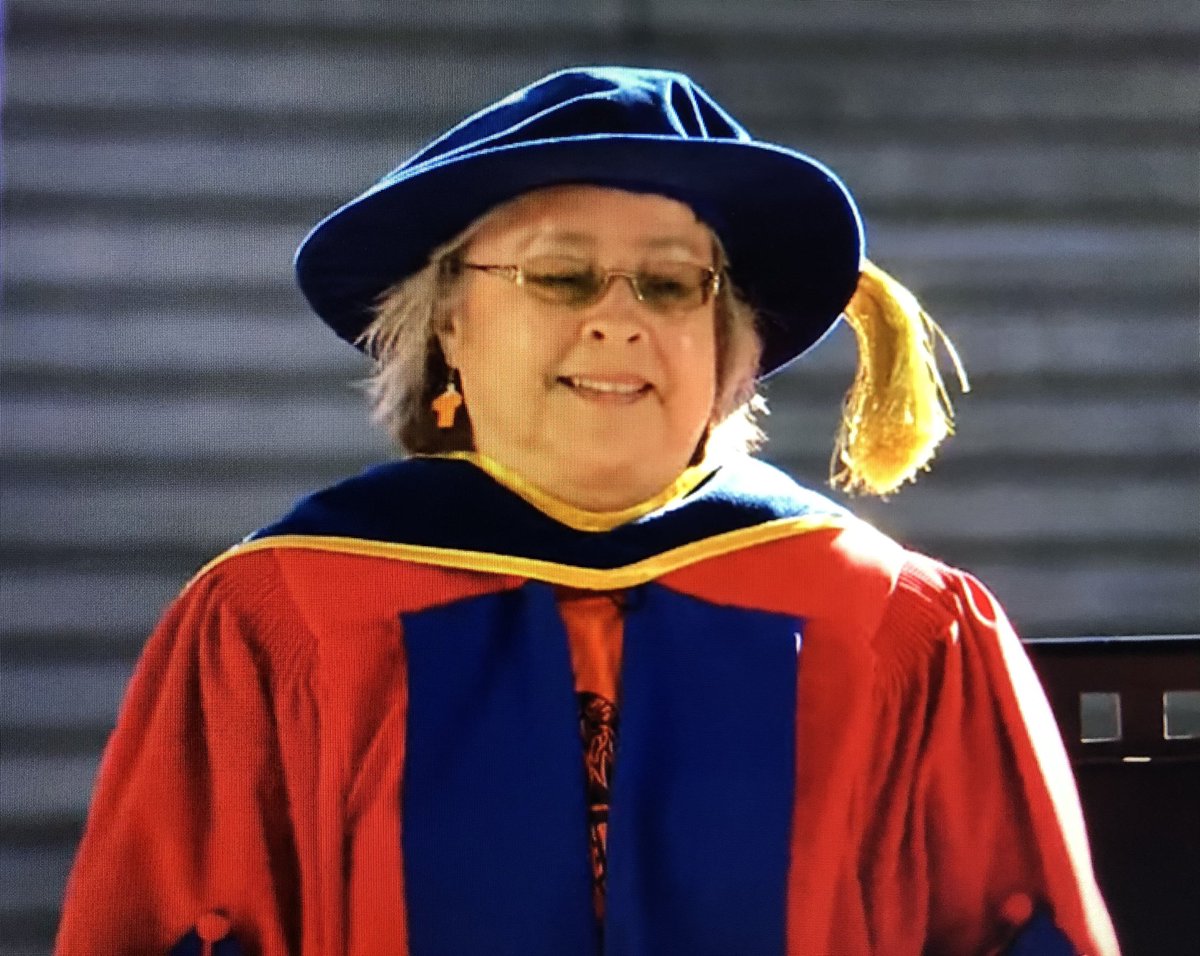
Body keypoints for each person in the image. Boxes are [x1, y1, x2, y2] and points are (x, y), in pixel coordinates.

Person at [55, 67, 1119, 956]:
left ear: (728, 351)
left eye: (669, 285)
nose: (617, 318)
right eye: (561, 276)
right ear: (450, 331)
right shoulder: (276, 617)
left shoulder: (898, 627)